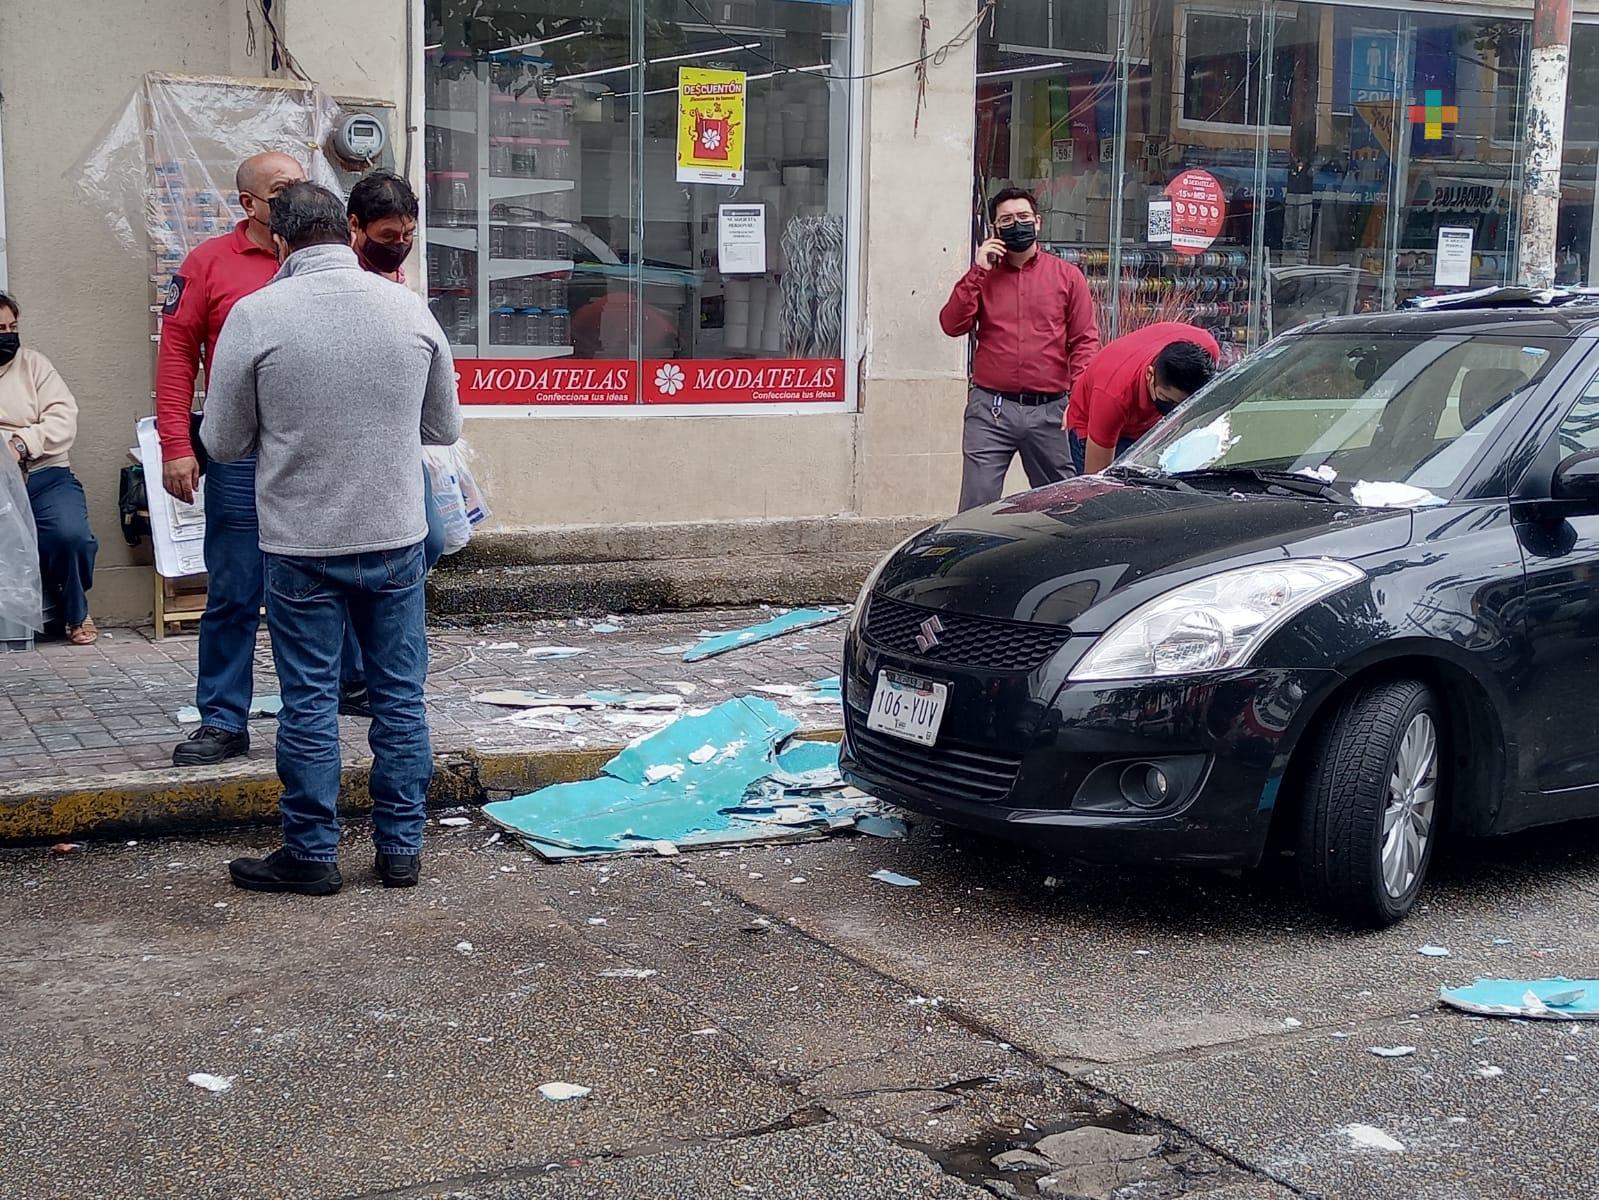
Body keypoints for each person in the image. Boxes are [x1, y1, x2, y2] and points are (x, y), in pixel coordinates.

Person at [202, 183, 462, 895]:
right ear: (346, 234)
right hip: (395, 537)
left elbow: (222, 441)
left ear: (280, 243)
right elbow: (443, 429)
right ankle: (400, 850)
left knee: (310, 701)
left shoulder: (256, 316)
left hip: (301, 543)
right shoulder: (408, 309)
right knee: (400, 698)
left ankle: (312, 854)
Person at [158, 151, 306, 767]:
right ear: (248, 204)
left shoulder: (326, 258)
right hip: (240, 450)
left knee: (319, 586)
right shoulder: (208, 263)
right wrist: (175, 445)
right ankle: (222, 718)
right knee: (235, 590)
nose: (295, 197)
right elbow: (176, 356)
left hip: (312, 450)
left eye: (301, 185)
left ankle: (318, 709)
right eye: (281, 189)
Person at [340, 170, 446, 719]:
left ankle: (377, 673)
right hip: (339, 445)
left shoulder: (398, 279)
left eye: (407, 234)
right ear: (353, 228)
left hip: (396, 443)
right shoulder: (338, 279)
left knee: (427, 539)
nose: (398, 245)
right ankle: (357, 676)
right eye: (386, 237)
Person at [939, 186, 1099, 511]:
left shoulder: (1067, 277)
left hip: (1052, 412)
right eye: (1007, 220)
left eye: (1023, 217)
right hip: (991, 411)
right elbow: (951, 324)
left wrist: (1079, 400)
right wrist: (978, 270)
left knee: (1064, 506)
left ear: (1037, 222)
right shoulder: (983, 277)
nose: (1017, 224)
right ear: (996, 229)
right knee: (975, 508)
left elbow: (1085, 342)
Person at [0, 291, 98, 643]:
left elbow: (63, 418)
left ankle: (76, 612)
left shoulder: (34, 365)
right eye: (0, 328)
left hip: (43, 474)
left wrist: (22, 443)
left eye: (12, 327)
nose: (8, 335)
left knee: (71, 535)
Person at [1065, 322, 1220, 476]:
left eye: (1183, 404)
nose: (1173, 410)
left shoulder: (1206, 353)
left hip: (1146, 424)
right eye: (1167, 400)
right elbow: (1096, 482)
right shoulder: (1113, 395)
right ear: (1150, 375)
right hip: (1093, 422)